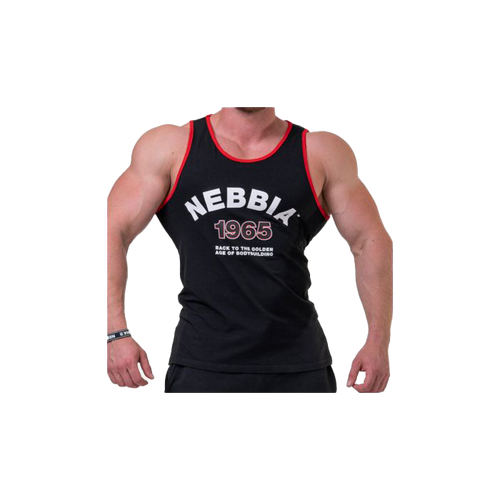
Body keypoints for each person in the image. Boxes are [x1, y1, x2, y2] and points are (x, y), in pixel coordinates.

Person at [104, 105, 395, 395]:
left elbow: (370, 240)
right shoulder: (171, 146)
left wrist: (378, 343)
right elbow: (112, 229)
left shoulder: (319, 151)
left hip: (298, 366)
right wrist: (116, 332)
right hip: (203, 365)